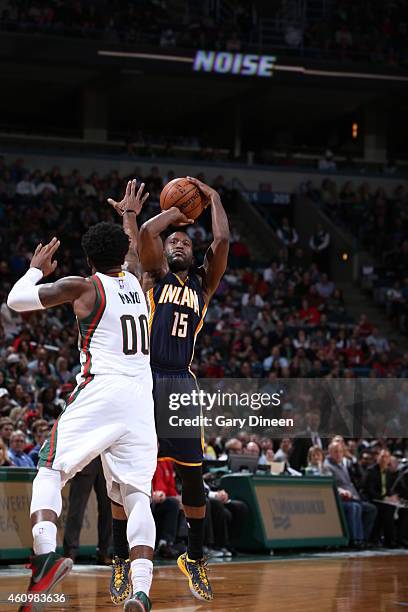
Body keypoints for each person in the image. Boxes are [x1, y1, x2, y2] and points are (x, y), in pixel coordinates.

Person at [7, 221, 157, 612]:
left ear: (89, 259)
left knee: (49, 467)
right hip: (142, 402)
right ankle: (140, 590)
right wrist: (130, 216)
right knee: (137, 493)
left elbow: (16, 301)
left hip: (103, 389)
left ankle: (44, 558)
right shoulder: (139, 284)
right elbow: (135, 255)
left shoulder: (84, 286)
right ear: (122, 255)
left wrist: (36, 268)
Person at [107, 177, 229, 604]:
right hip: (143, 379)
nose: (178, 243)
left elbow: (222, 238)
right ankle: (122, 558)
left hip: (180, 381)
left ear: (193, 254)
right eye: (172, 240)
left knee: (192, 480)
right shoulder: (153, 274)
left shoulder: (201, 286)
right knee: (127, 479)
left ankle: (193, 557)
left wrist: (211, 197)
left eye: (185, 242)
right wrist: (165, 215)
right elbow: (143, 236)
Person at [324, 442, 377, 546]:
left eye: (340, 451)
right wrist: (342, 491)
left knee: (371, 509)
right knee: (354, 507)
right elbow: (331, 483)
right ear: (330, 452)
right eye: (335, 452)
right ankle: (354, 540)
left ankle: (363, 539)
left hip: (353, 497)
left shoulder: (343, 464)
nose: (338, 454)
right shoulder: (327, 466)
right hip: (339, 499)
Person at [63, 457, 112, 564]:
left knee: (108, 511)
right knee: (76, 510)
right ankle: (70, 552)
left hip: (106, 461)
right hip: (86, 460)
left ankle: (104, 551)